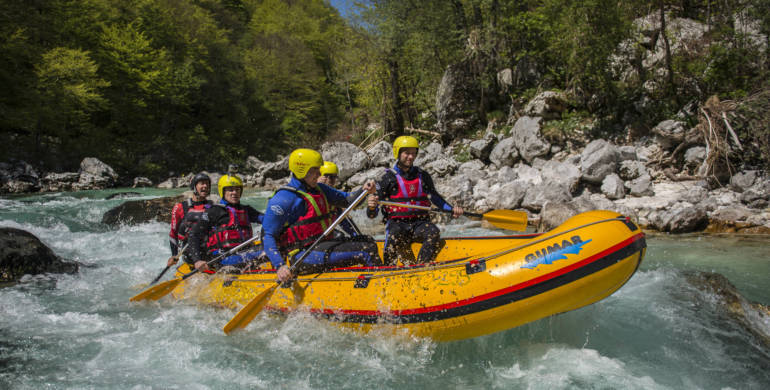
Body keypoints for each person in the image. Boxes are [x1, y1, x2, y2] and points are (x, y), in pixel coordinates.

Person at [262, 149, 382, 283]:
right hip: (302, 255)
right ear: (302, 170)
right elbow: (268, 235)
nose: (319, 174)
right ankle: (380, 289)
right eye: (315, 170)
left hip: (321, 246)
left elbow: (348, 200)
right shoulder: (283, 198)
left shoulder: (320, 189)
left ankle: (365, 285)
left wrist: (364, 190)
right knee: (366, 250)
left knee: (368, 241)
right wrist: (279, 266)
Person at [366, 136, 463, 265]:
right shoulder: (387, 178)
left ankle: (421, 266)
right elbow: (371, 214)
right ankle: (388, 268)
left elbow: (436, 199)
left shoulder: (422, 176)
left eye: (413, 153)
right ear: (398, 153)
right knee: (394, 236)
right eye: (407, 153)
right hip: (397, 224)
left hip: (419, 223)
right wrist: (372, 207)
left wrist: (451, 210)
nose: (411, 157)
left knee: (433, 232)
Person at [186, 174, 264, 272]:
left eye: (237, 189)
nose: (234, 193)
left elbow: (267, 220)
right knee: (243, 263)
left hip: (245, 251)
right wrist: (197, 260)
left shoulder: (246, 210)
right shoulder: (214, 211)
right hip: (223, 257)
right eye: (230, 190)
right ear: (222, 191)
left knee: (271, 251)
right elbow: (194, 235)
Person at [167, 173, 213, 267]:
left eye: (207, 184)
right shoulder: (180, 207)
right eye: (202, 183)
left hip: (210, 251)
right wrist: (174, 255)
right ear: (194, 186)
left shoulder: (213, 206)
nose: (205, 186)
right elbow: (173, 233)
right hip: (190, 252)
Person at [318, 160, 361, 237]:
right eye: (331, 177)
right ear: (321, 177)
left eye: (335, 177)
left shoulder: (333, 196)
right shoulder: (313, 194)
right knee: (339, 236)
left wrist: (355, 236)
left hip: (325, 231)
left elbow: (343, 221)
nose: (333, 180)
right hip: (314, 233)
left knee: (342, 236)